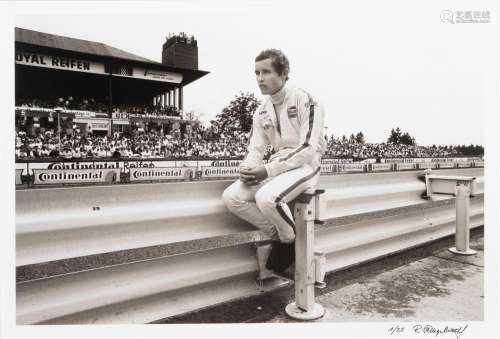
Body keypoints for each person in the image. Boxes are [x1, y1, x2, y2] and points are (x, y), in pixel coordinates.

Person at [222, 49, 326, 278]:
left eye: (266, 72)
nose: (260, 78)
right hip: (278, 165)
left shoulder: (306, 100)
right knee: (231, 196)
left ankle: (291, 240)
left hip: (306, 164)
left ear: (284, 73)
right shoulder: (261, 111)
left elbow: (308, 149)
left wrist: (266, 170)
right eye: (256, 73)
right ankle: (282, 235)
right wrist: (247, 169)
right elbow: (256, 149)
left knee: (266, 197)